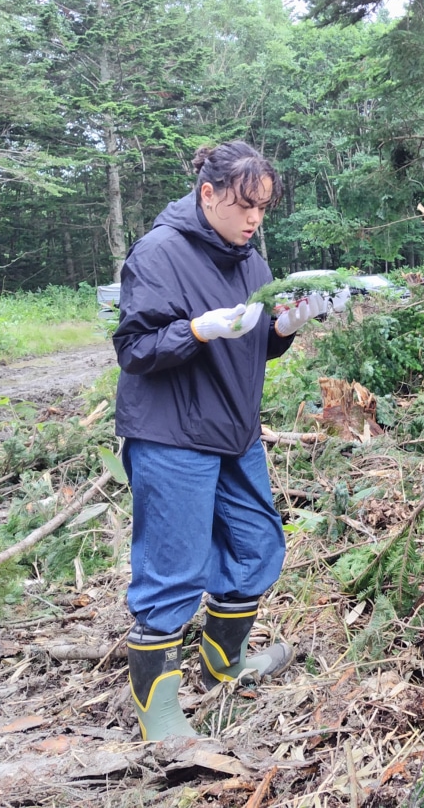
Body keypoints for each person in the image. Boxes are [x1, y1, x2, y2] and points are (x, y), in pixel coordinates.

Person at [112, 141, 330, 741]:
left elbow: (254, 343)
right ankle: (159, 711)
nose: (254, 219)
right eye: (244, 205)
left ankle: (222, 661)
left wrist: (285, 328)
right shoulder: (158, 253)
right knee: (174, 567)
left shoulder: (251, 261)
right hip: (171, 433)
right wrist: (195, 331)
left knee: (258, 542)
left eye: (263, 208)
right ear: (207, 194)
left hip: (234, 431)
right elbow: (134, 350)